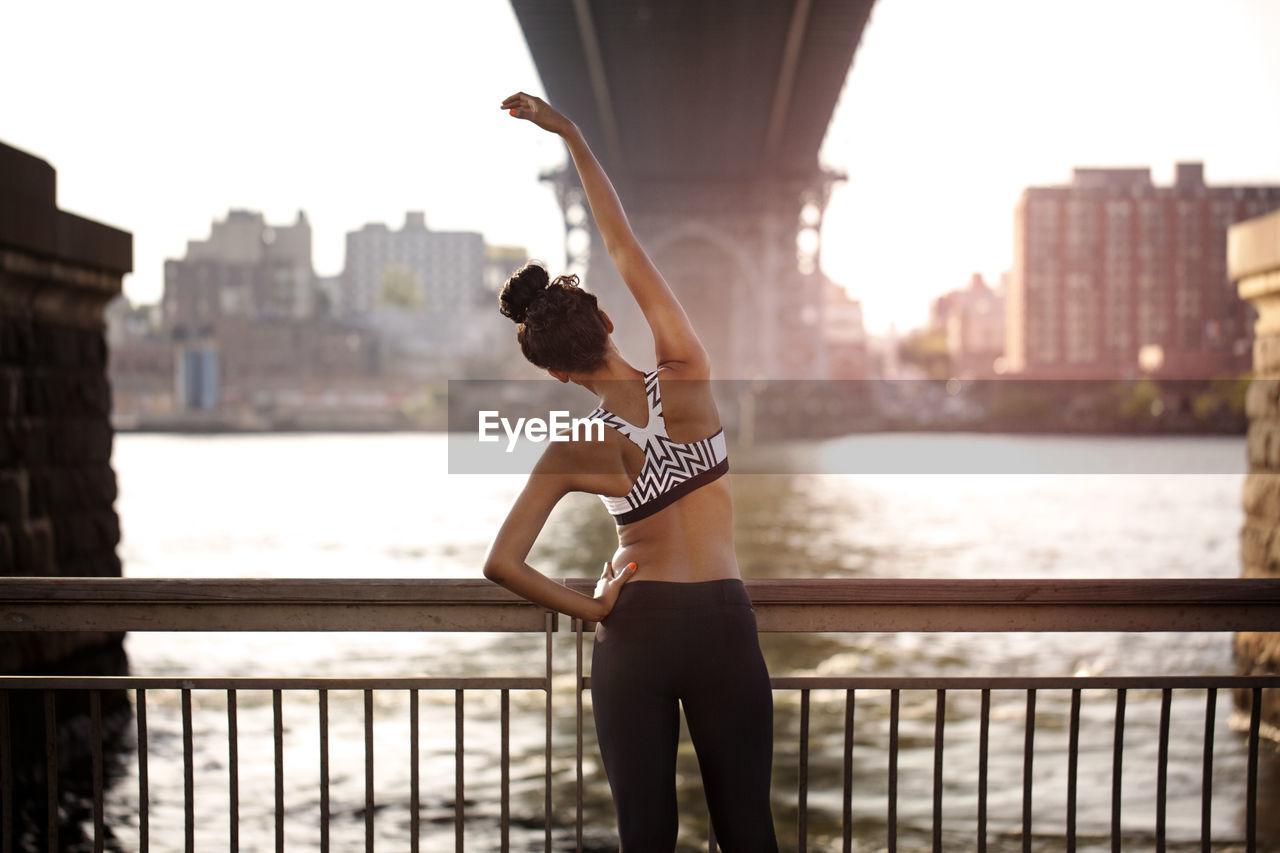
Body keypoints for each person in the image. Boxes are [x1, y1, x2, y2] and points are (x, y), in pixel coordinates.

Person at [484, 92, 779, 852]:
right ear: (610, 322)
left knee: (645, 839)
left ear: (552, 374)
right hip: (722, 622)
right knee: (749, 833)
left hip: (634, 633)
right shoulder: (688, 375)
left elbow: (502, 563)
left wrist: (593, 606)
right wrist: (572, 135)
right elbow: (623, 247)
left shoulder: (571, 447)